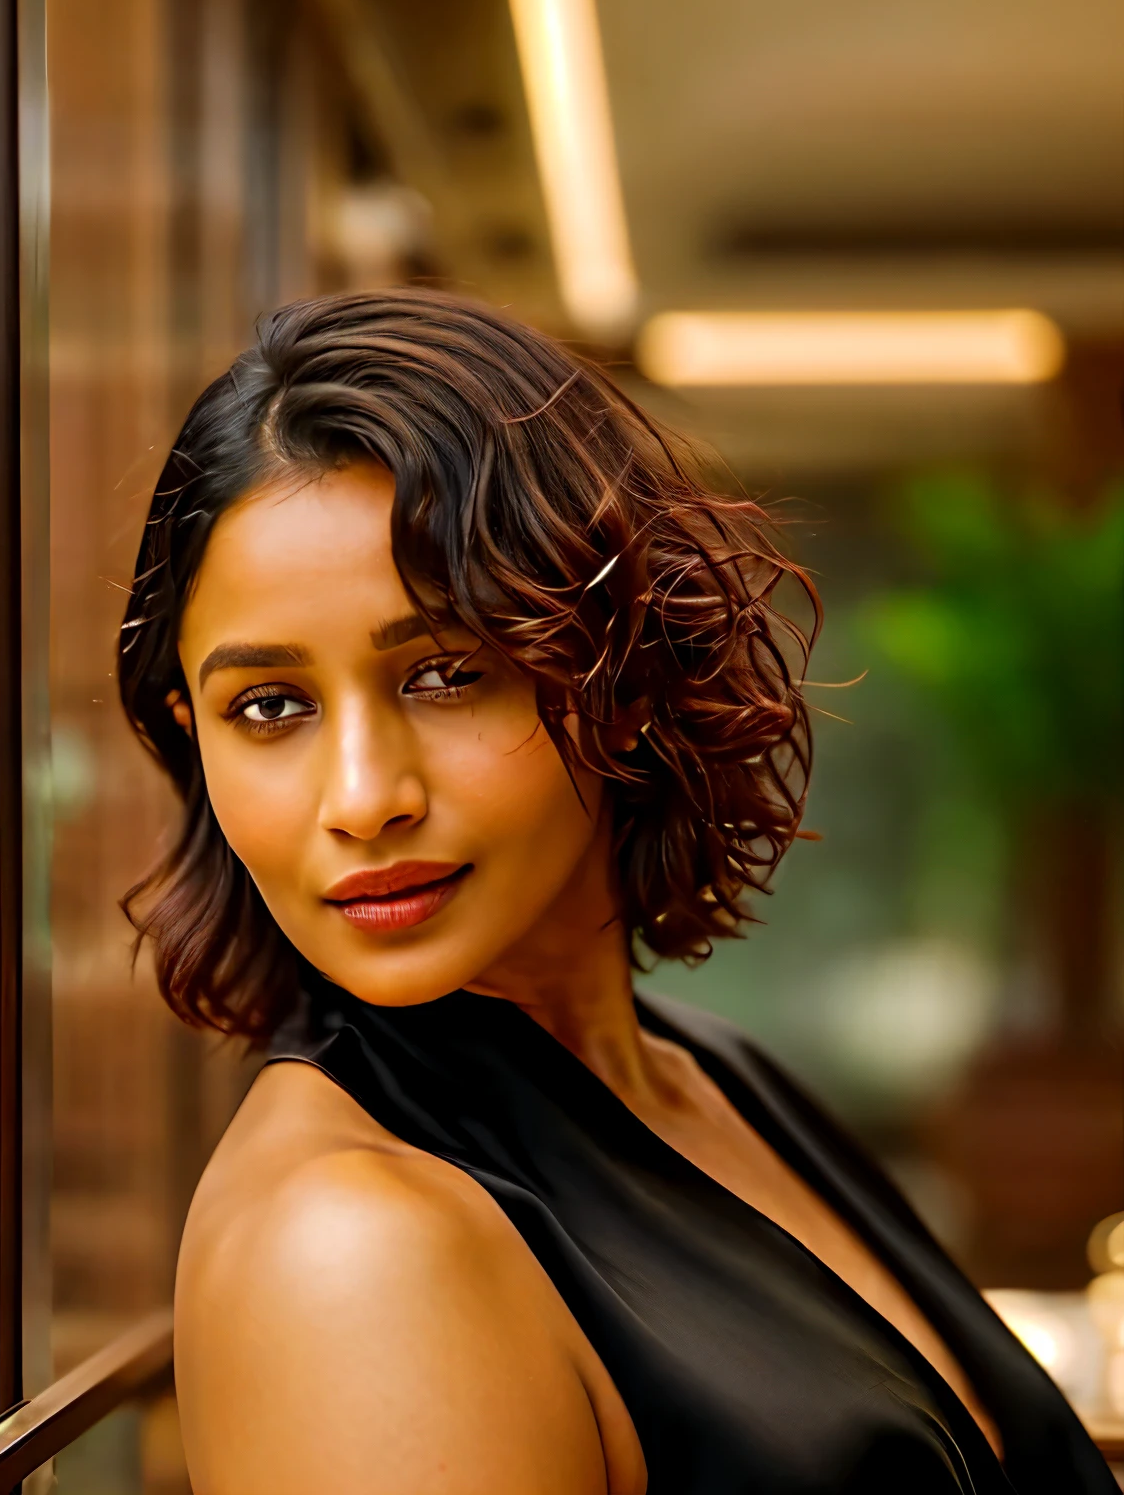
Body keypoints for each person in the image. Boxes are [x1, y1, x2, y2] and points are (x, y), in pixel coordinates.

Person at [119, 290, 1112, 1494]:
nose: (363, 798)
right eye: (270, 707)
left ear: (622, 675)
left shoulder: (713, 1077)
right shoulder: (357, 1248)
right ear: (195, 736)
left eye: (444, 673)